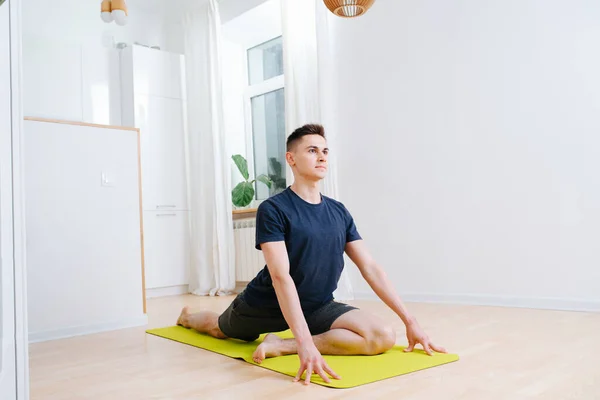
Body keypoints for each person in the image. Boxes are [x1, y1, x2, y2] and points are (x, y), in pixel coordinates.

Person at [177, 124, 446, 385]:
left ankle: (281, 345)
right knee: (218, 329)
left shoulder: (339, 211)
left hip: (316, 305)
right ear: (291, 159)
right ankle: (188, 317)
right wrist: (306, 344)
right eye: (312, 150)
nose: (321, 157)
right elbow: (281, 277)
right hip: (265, 304)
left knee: (382, 336)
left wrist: (410, 321)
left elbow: (370, 267)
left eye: (325, 151)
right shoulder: (274, 209)